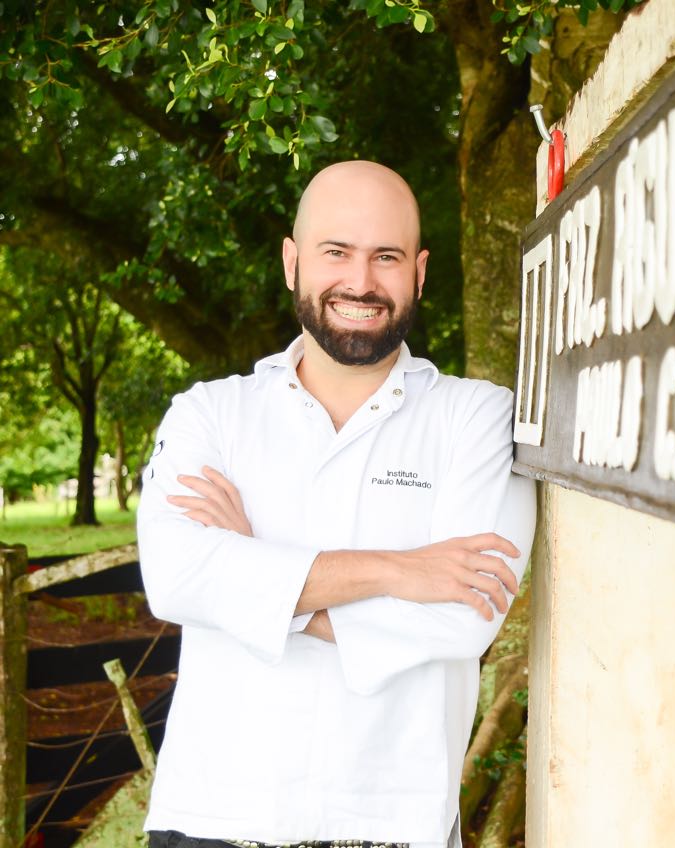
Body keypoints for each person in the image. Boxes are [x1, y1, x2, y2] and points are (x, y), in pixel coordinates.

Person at [137, 161, 536, 848]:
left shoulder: (476, 418)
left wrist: (253, 578)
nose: (361, 282)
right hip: (212, 816)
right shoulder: (211, 413)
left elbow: (464, 621)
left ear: (419, 270)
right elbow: (177, 580)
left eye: (386, 256)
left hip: (393, 823)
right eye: (336, 252)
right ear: (293, 263)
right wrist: (395, 569)